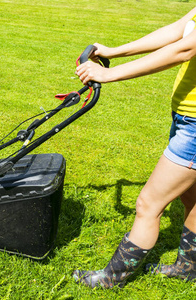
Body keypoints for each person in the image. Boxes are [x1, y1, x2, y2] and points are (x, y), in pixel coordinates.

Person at [73, 7, 196, 288]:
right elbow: (179, 30)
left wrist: (110, 74)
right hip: (187, 118)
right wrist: (114, 51)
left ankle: (110, 280)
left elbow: (184, 49)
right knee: (191, 199)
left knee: (148, 204)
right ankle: (189, 268)